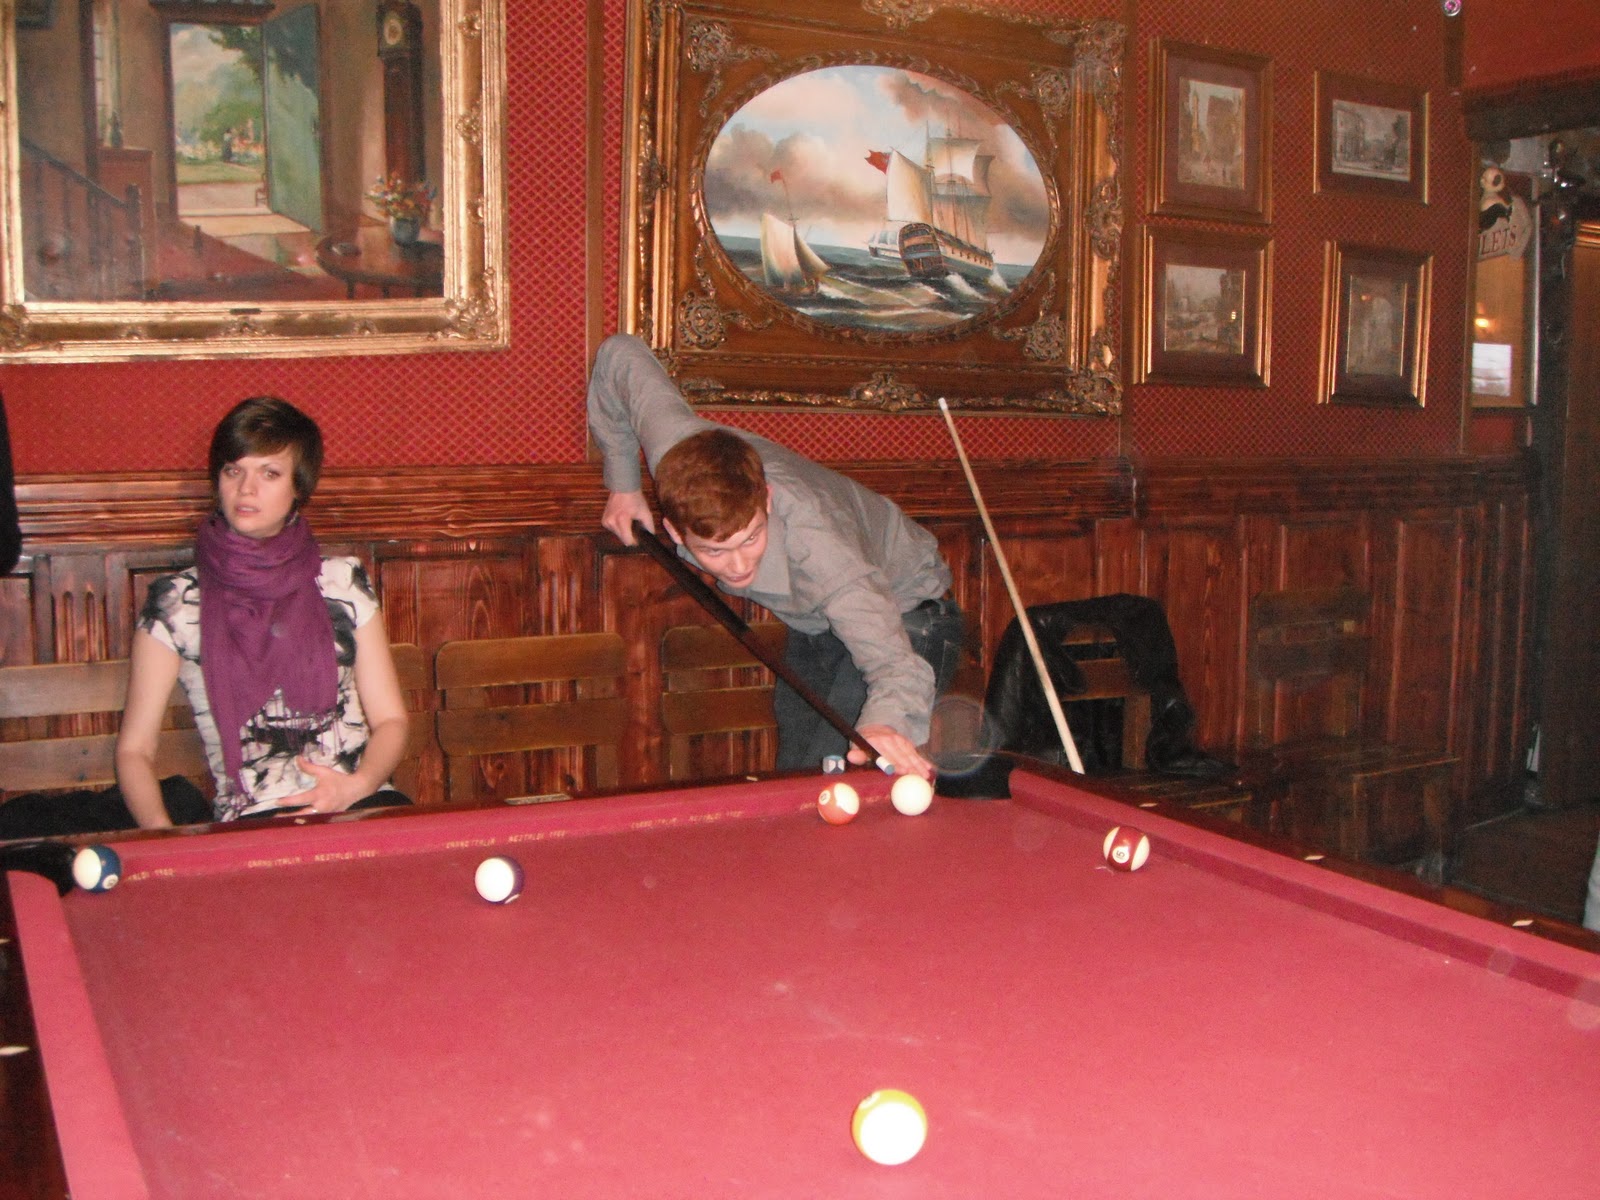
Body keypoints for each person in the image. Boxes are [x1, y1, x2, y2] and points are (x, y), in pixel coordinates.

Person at [588, 333, 963, 781]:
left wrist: (885, 722)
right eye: (714, 551)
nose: (739, 566)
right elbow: (619, 354)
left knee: (837, 777)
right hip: (816, 624)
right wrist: (624, 484)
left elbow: (894, 663)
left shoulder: (821, 549)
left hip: (907, 612)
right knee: (798, 773)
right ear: (674, 531)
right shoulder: (674, 445)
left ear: (766, 500)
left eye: (750, 539)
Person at [114, 397, 411, 827]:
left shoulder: (342, 581)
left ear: (298, 488)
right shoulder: (176, 602)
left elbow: (392, 720)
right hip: (255, 818)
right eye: (233, 470)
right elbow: (134, 751)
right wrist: (163, 841)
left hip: (361, 803)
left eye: (269, 473)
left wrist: (358, 785)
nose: (246, 489)